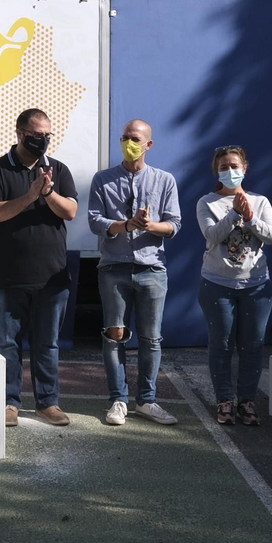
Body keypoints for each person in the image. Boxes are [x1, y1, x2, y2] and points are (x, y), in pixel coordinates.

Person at [0, 109, 78, 428]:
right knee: (7, 344)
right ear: (20, 134)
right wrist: (29, 195)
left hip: (51, 276)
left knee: (47, 343)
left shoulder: (58, 170)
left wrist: (47, 193)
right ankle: (9, 402)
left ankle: (48, 402)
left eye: (47, 135)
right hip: (5, 275)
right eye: (36, 135)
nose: (43, 141)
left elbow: (71, 211)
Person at [88, 119, 181, 426]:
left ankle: (147, 401)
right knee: (114, 335)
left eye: (135, 139)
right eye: (125, 137)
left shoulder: (164, 180)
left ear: (148, 145)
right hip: (113, 269)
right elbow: (95, 222)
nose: (129, 143)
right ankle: (118, 399)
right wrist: (126, 225)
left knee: (151, 339)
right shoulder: (103, 179)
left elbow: (174, 225)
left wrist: (149, 225)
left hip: (152, 268)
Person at [196, 146, 272, 426]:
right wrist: (234, 213)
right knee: (221, 344)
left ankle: (247, 401)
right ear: (216, 171)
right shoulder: (207, 202)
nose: (230, 171)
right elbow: (212, 235)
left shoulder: (261, 201)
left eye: (234, 166)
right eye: (224, 167)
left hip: (256, 286)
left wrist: (251, 217)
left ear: (245, 168)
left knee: (252, 345)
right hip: (217, 284)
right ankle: (224, 400)